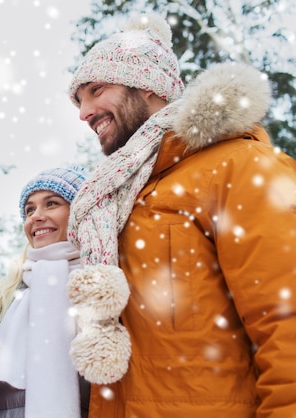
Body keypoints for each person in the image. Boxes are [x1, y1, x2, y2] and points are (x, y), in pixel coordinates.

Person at [66, 12, 296, 418]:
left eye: (96, 90)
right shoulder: (116, 201)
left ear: (150, 87)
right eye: (78, 100)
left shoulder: (240, 166)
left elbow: (286, 320)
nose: (84, 112)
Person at [0, 166, 91, 417]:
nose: (36, 216)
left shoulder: (101, 286)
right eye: (29, 210)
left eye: (51, 204)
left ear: (80, 212)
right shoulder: (2, 296)